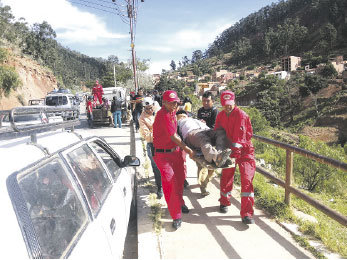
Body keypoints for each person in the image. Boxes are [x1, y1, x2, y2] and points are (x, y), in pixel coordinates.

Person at [153, 90, 195, 230]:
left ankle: (180, 202)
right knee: (170, 183)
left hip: (175, 153)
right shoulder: (163, 115)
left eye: (176, 103)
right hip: (163, 155)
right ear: (163, 103)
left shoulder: (172, 113)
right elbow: (173, 137)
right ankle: (176, 215)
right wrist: (188, 149)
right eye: (171, 103)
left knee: (180, 180)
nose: (174, 105)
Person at [214, 90, 256, 225]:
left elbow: (241, 138)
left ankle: (247, 214)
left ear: (234, 102)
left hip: (245, 152)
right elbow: (218, 132)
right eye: (225, 104)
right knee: (226, 177)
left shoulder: (241, 115)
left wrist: (235, 153)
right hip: (229, 151)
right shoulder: (220, 116)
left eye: (230, 104)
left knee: (247, 180)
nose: (228, 107)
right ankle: (224, 202)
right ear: (222, 104)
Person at [139, 97, 163, 199]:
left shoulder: (158, 111)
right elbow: (147, 135)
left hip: (164, 142)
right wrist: (159, 131)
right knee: (156, 166)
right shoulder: (142, 119)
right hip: (153, 145)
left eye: (151, 108)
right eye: (147, 109)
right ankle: (159, 187)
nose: (150, 110)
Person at [197, 91, 219, 196]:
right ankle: (203, 187)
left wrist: (205, 126)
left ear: (212, 101)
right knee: (201, 164)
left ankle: (204, 183)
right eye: (204, 101)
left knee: (212, 165)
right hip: (201, 140)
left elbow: (215, 127)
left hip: (212, 141)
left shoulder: (215, 111)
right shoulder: (200, 111)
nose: (205, 103)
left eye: (208, 101)